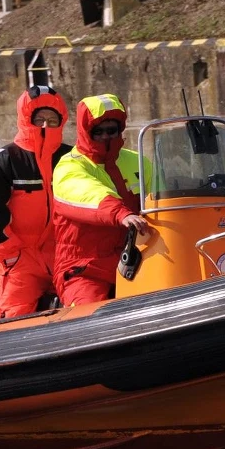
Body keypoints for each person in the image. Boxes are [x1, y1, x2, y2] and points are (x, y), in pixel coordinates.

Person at [0, 85, 72, 318]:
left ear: (62, 121)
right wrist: (10, 253)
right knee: (16, 316)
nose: (46, 125)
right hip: (19, 259)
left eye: (52, 119)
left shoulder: (72, 157)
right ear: (27, 119)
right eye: (39, 119)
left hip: (64, 253)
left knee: (81, 307)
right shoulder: (3, 161)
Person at [51, 93, 149, 306]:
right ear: (86, 132)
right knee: (88, 308)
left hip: (135, 260)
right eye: (98, 132)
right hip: (84, 267)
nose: (106, 137)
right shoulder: (70, 166)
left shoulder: (137, 161)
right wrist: (121, 214)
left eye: (111, 130)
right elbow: (87, 193)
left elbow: (166, 193)